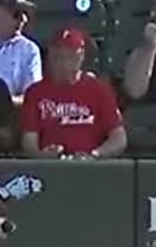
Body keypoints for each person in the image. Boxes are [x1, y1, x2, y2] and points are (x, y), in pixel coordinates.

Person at [21, 28, 127, 159]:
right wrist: (43, 155)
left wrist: (95, 154)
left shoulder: (99, 89)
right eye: (58, 56)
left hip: (90, 166)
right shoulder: (35, 92)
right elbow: (29, 141)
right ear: (49, 56)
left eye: (70, 56)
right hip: (50, 166)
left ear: (81, 56)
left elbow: (119, 138)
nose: (64, 63)